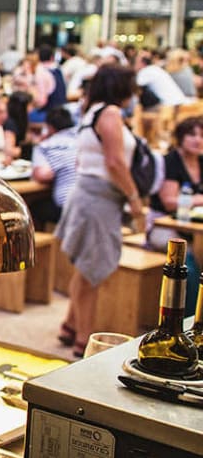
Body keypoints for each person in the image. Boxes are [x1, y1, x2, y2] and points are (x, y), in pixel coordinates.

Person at [55, 65, 146, 358]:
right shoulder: (110, 113)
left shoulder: (91, 111)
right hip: (99, 199)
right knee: (93, 271)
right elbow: (115, 162)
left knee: (85, 267)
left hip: (88, 195)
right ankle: (85, 340)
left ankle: (70, 325)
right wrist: (134, 199)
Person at [148, 116, 203, 251]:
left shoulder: (201, 161)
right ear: (180, 137)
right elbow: (170, 203)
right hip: (166, 226)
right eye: (192, 135)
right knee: (189, 251)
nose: (198, 140)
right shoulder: (170, 161)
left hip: (194, 226)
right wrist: (198, 199)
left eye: (202, 136)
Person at [30, 106, 78, 227]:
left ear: (49, 128)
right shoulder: (83, 139)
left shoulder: (46, 146)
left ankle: (42, 244)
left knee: (31, 208)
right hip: (91, 201)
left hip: (67, 205)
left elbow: (43, 175)